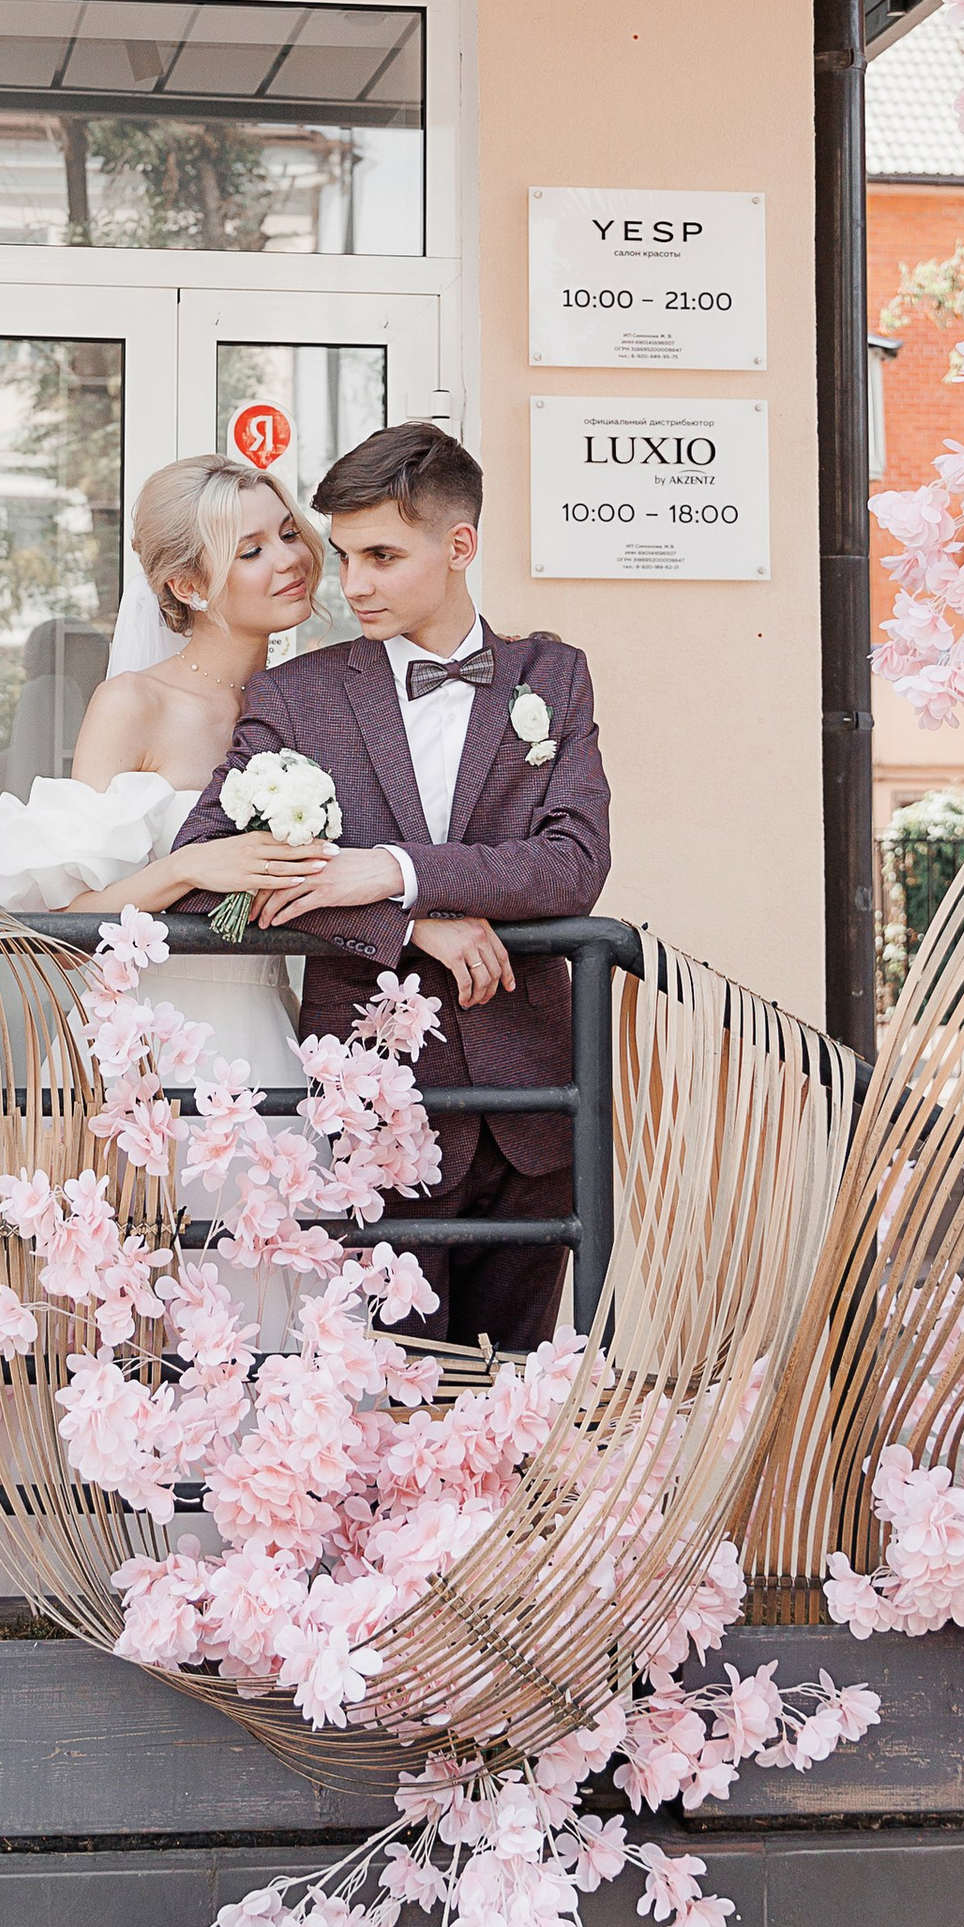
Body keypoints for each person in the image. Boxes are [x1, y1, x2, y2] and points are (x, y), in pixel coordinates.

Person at [172, 419, 611, 1351]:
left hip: (538, 1109)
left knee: (518, 1396)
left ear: (460, 545)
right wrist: (402, 919)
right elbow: (206, 874)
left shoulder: (554, 675)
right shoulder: (297, 696)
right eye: (343, 555)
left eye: (381, 555)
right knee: (388, 1398)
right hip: (372, 1115)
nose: (353, 584)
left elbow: (574, 862)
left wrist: (398, 867)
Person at [0, 449, 335, 1124]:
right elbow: (68, 924)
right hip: (147, 1050)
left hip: (269, 1034)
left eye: (289, 533)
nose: (290, 558)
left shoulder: (311, 706)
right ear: (189, 586)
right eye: (252, 550)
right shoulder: (132, 704)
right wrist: (186, 868)